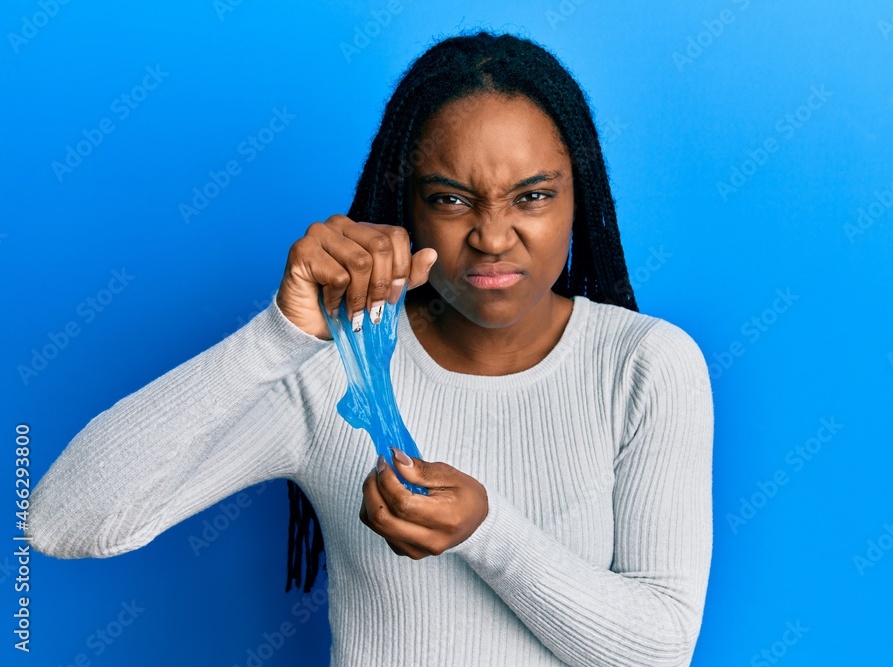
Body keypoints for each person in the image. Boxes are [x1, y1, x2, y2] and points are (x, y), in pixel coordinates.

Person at [27, 30, 714, 666]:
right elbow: (63, 520)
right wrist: (280, 336)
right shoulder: (335, 368)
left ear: (577, 199)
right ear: (406, 205)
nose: (494, 236)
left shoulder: (646, 365)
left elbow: (659, 649)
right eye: (451, 200)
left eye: (531, 196)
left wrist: (487, 530)